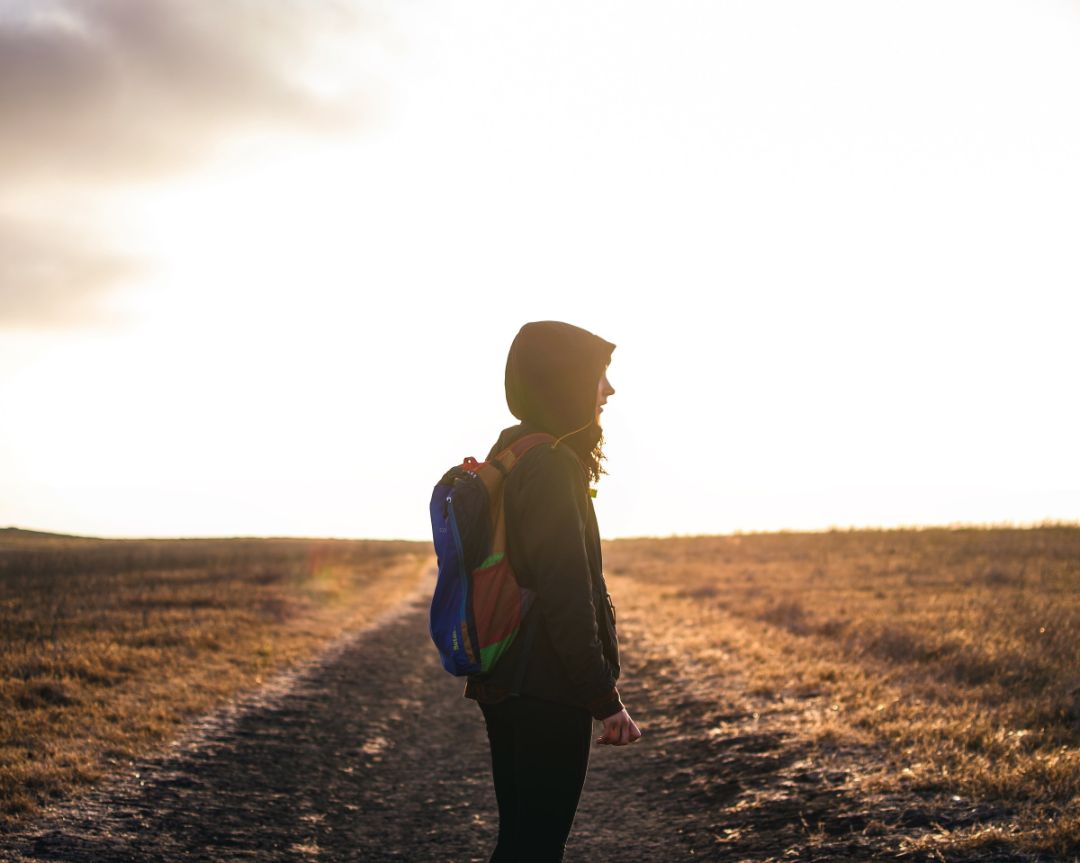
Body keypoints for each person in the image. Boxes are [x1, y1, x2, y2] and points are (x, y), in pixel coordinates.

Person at [465, 320, 642, 863]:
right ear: (566, 380)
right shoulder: (551, 468)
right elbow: (569, 596)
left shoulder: (514, 451)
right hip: (545, 687)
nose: (608, 391)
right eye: (598, 376)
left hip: (507, 677)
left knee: (520, 842)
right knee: (535, 848)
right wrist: (603, 700)